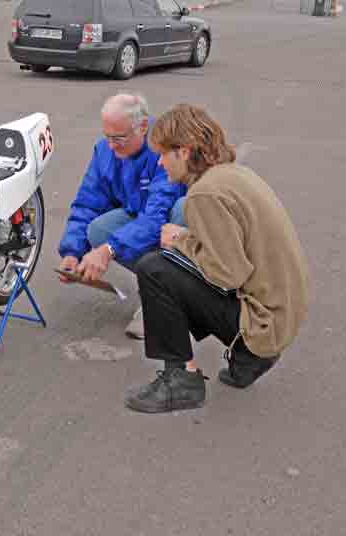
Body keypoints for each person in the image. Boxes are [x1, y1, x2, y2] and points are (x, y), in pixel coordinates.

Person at [124, 104, 309, 413]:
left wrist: (179, 241)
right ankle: (249, 359)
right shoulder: (233, 174)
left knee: (154, 268)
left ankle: (182, 378)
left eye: (163, 154)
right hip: (282, 312)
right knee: (171, 261)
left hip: (263, 323)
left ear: (183, 152)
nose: (159, 162)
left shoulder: (204, 194)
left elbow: (227, 274)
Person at [57, 93, 187, 338]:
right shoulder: (104, 151)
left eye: (119, 138)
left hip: (169, 222)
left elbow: (156, 216)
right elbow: (88, 204)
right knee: (97, 229)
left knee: (183, 208)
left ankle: (179, 300)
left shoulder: (164, 151)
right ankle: (157, 291)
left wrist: (108, 250)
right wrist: (73, 252)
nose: (112, 145)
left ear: (143, 127)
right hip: (141, 218)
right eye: (107, 136)